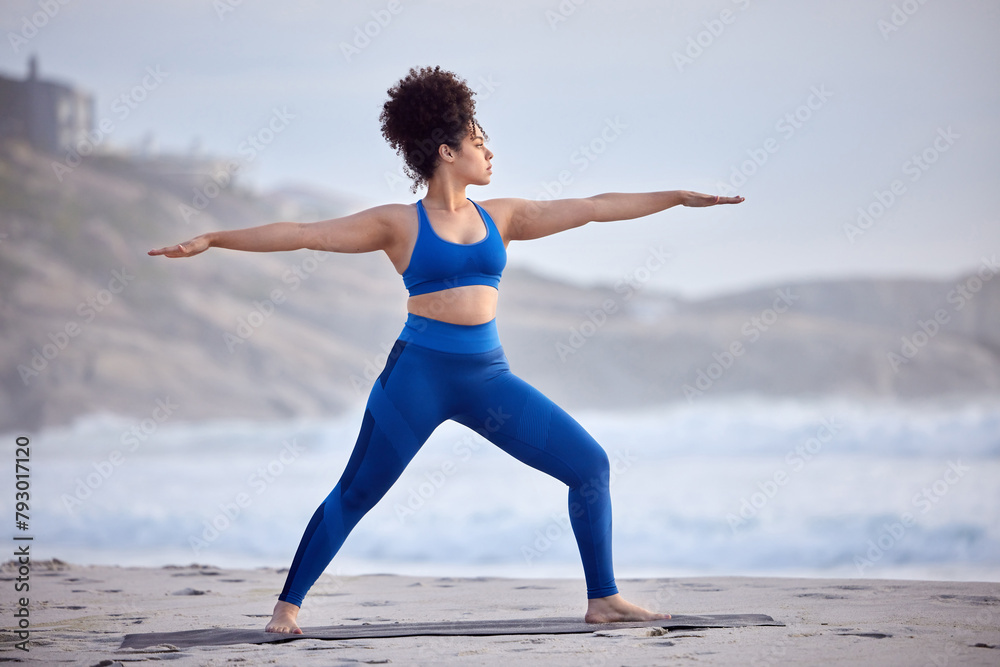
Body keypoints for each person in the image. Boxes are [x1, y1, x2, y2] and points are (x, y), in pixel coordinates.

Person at [149, 65, 744, 634]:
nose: (490, 153)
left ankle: (604, 598)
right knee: (357, 491)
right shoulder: (397, 223)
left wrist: (673, 197)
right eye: (480, 141)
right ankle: (287, 606)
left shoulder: (503, 216)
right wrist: (215, 238)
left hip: (489, 378)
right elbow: (307, 234)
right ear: (447, 151)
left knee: (590, 466)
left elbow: (592, 208)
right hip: (419, 377)